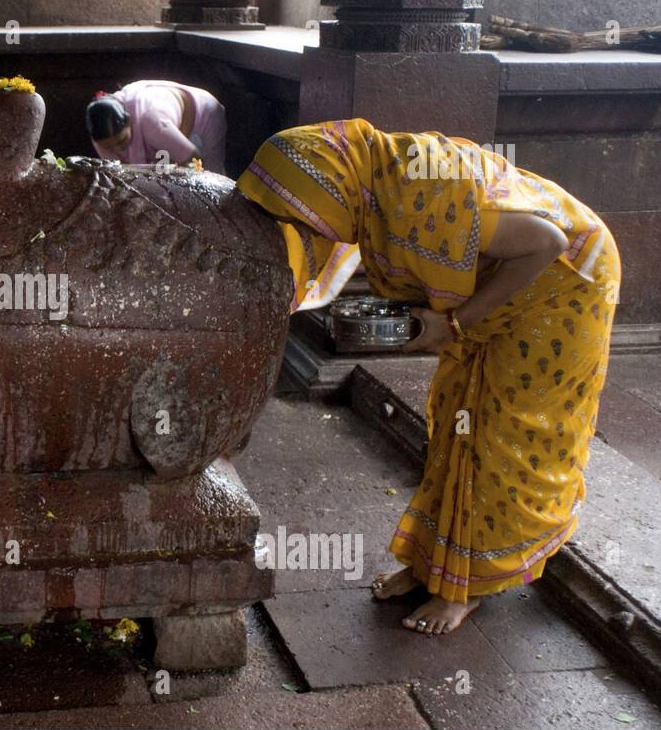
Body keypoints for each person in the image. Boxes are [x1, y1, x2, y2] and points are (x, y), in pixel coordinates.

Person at [236, 119, 621, 636]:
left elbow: (546, 242)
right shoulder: (373, 189)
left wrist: (457, 322)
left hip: (564, 287)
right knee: (460, 420)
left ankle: (469, 588)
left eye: (309, 216)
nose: (314, 231)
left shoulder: (424, 194)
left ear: (331, 189)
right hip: (510, 286)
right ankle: (437, 567)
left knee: (503, 434)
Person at [87, 80, 227, 174]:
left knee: (212, 176)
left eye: (121, 141)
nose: (117, 150)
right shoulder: (100, 136)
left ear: (129, 121)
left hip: (203, 115)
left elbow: (193, 159)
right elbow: (119, 174)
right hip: (164, 135)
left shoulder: (152, 124)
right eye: (109, 147)